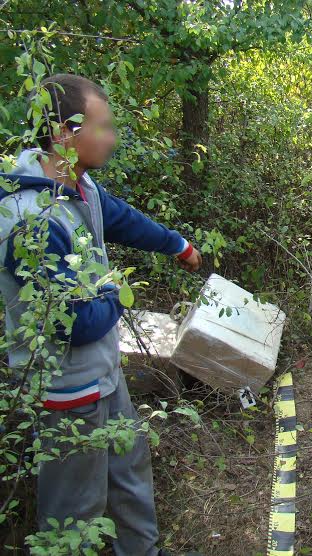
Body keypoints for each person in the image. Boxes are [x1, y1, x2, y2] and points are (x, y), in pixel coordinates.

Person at [0, 74, 202, 555]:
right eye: (104, 126)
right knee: (74, 513)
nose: (111, 137)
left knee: (130, 471)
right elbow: (74, 322)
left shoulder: (78, 184)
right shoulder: (31, 219)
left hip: (106, 375)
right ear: (63, 134)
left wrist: (178, 245)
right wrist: (114, 289)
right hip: (68, 392)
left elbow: (119, 216)